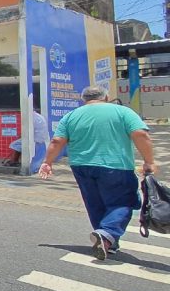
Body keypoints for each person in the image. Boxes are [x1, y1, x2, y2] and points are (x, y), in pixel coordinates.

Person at [38, 85, 157, 260]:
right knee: (123, 202)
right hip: (115, 165)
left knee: (95, 203)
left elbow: (57, 141)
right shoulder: (122, 111)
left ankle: (108, 241)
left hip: (81, 166)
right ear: (106, 97)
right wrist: (149, 161)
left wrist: (47, 162)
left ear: (83, 99)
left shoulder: (71, 116)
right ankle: (107, 233)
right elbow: (141, 134)